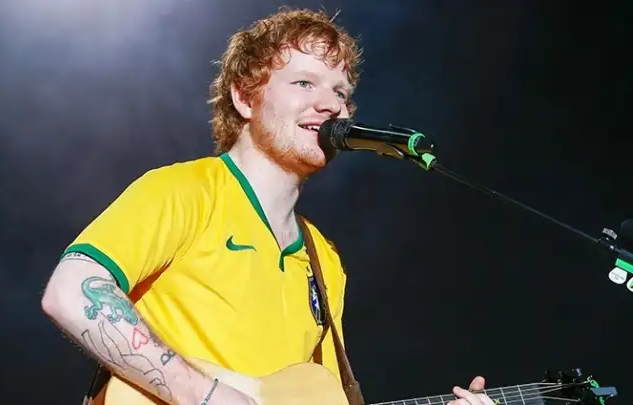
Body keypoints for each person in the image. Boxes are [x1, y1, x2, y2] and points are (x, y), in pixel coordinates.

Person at [41, 7, 496, 405]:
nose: (331, 106)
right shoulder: (184, 191)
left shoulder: (325, 262)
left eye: (341, 92)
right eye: (304, 83)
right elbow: (71, 292)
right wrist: (204, 395)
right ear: (245, 97)